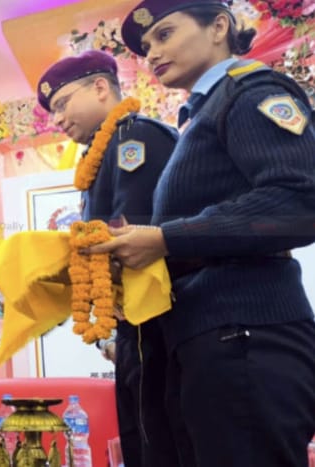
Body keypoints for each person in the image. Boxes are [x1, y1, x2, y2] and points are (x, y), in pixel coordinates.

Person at [86, 2, 315, 466]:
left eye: (165, 34)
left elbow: (299, 202)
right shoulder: (200, 116)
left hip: (248, 332)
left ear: (218, 27)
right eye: (146, 46)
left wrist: (164, 239)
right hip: (211, 336)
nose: (152, 53)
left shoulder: (250, 91)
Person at [37, 50, 179, 467]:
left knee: (159, 444)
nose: (58, 119)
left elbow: (130, 234)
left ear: (100, 87)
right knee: (139, 441)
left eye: (62, 104)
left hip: (160, 325)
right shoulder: (99, 155)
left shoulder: (134, 136)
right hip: (133, 328)